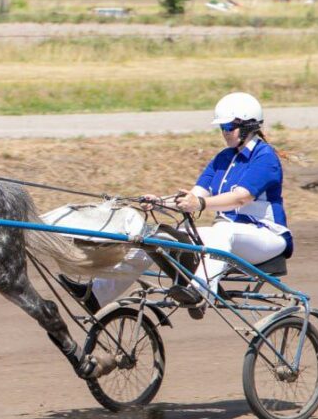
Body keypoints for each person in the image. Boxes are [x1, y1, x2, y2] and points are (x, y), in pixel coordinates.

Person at [60, 92, 293, 313]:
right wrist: (160, 202)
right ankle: (96, 296)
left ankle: (201, 292)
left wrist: (200, 204)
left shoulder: (265, 157)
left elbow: (240, 197)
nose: (224, 132)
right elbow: (193, 196)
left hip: (267, 238)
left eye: (229, 127)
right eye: (222, 128)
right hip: (225, 237)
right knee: (153, 239)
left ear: (249, 126)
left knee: (224, 233)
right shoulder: (222, 159)